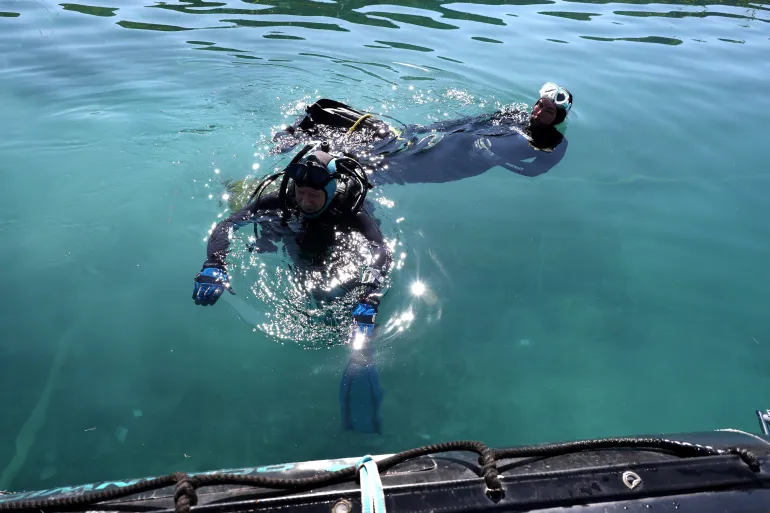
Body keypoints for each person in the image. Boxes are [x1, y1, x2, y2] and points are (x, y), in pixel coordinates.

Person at [192, 143, 391, 433]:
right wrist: (215, 263)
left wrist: (370, 296)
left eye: (313, 195)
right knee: (311, 288)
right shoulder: (281, 202)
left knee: (332, 292)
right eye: (301, 193)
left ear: (332, 191)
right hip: (294, 239)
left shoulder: (352, 213)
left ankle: (359, 356)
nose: (305, 202)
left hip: (335, 245)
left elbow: (382, 252)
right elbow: (227, 225)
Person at [271, 82, 573, 184]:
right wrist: (423, 129)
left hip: (452, 164)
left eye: (548, 111)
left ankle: (317, 168)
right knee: (341, 116)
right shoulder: (513, 115)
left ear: (558, 117)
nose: (539, 112)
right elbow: (471, 121)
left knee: (371, 162)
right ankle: (297, 134)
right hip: (438, 140)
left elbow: (534, 173)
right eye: (539, 105)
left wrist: (496, 159)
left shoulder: (553, 143)